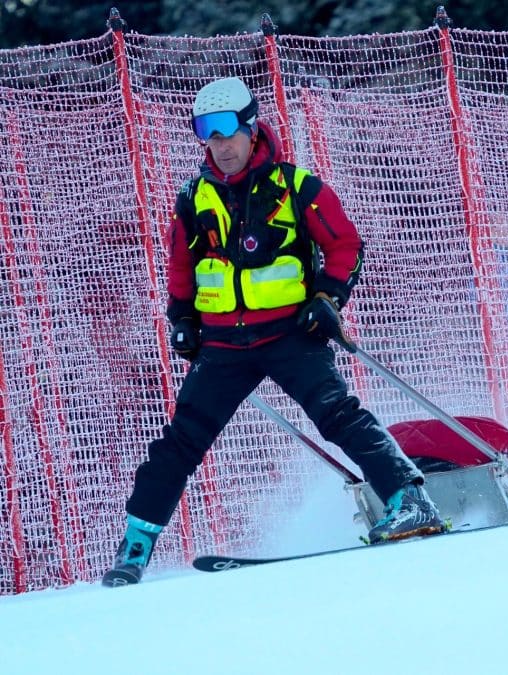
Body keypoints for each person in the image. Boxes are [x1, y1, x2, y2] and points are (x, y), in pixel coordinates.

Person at [102, 77, 444, 586]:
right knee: (179, 444)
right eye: (206, 132)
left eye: (226, 130)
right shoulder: (193, 200)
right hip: (222, 344)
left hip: (290, 334)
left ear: (250, 125)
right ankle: (134, 548)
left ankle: (411, 501)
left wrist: (328, 297)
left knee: (338, 416)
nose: (220, 144)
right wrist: (182, 321)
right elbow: (180, 269)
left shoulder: (296, 186)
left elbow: (345, 245)